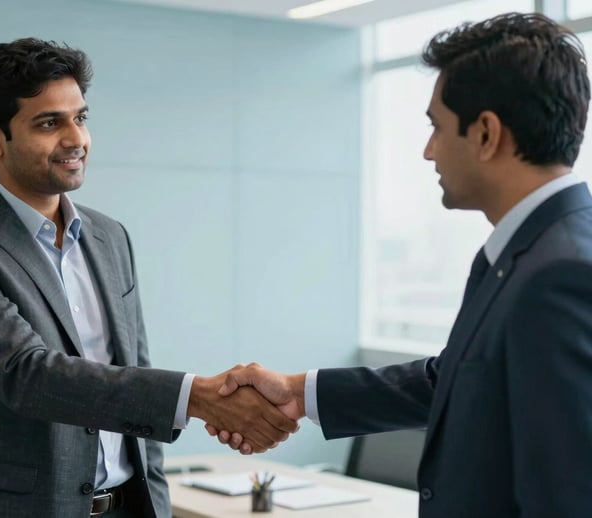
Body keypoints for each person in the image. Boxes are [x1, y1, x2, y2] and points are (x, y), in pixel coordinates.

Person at [212, 12, 592, 517]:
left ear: (485, 134)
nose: (428, 151)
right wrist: (300, 393)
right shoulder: (529, 254)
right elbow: (452, 381)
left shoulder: (559, 275)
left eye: (436, 127)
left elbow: (568, 493)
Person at [0, 38, 297, 518]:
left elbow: (132, 364)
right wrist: (198, 398)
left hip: (129, 506)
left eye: (81, 118)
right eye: (50, 123)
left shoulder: (110, 236)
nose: (76, 139)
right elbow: (28, 376)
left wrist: (157, 499)